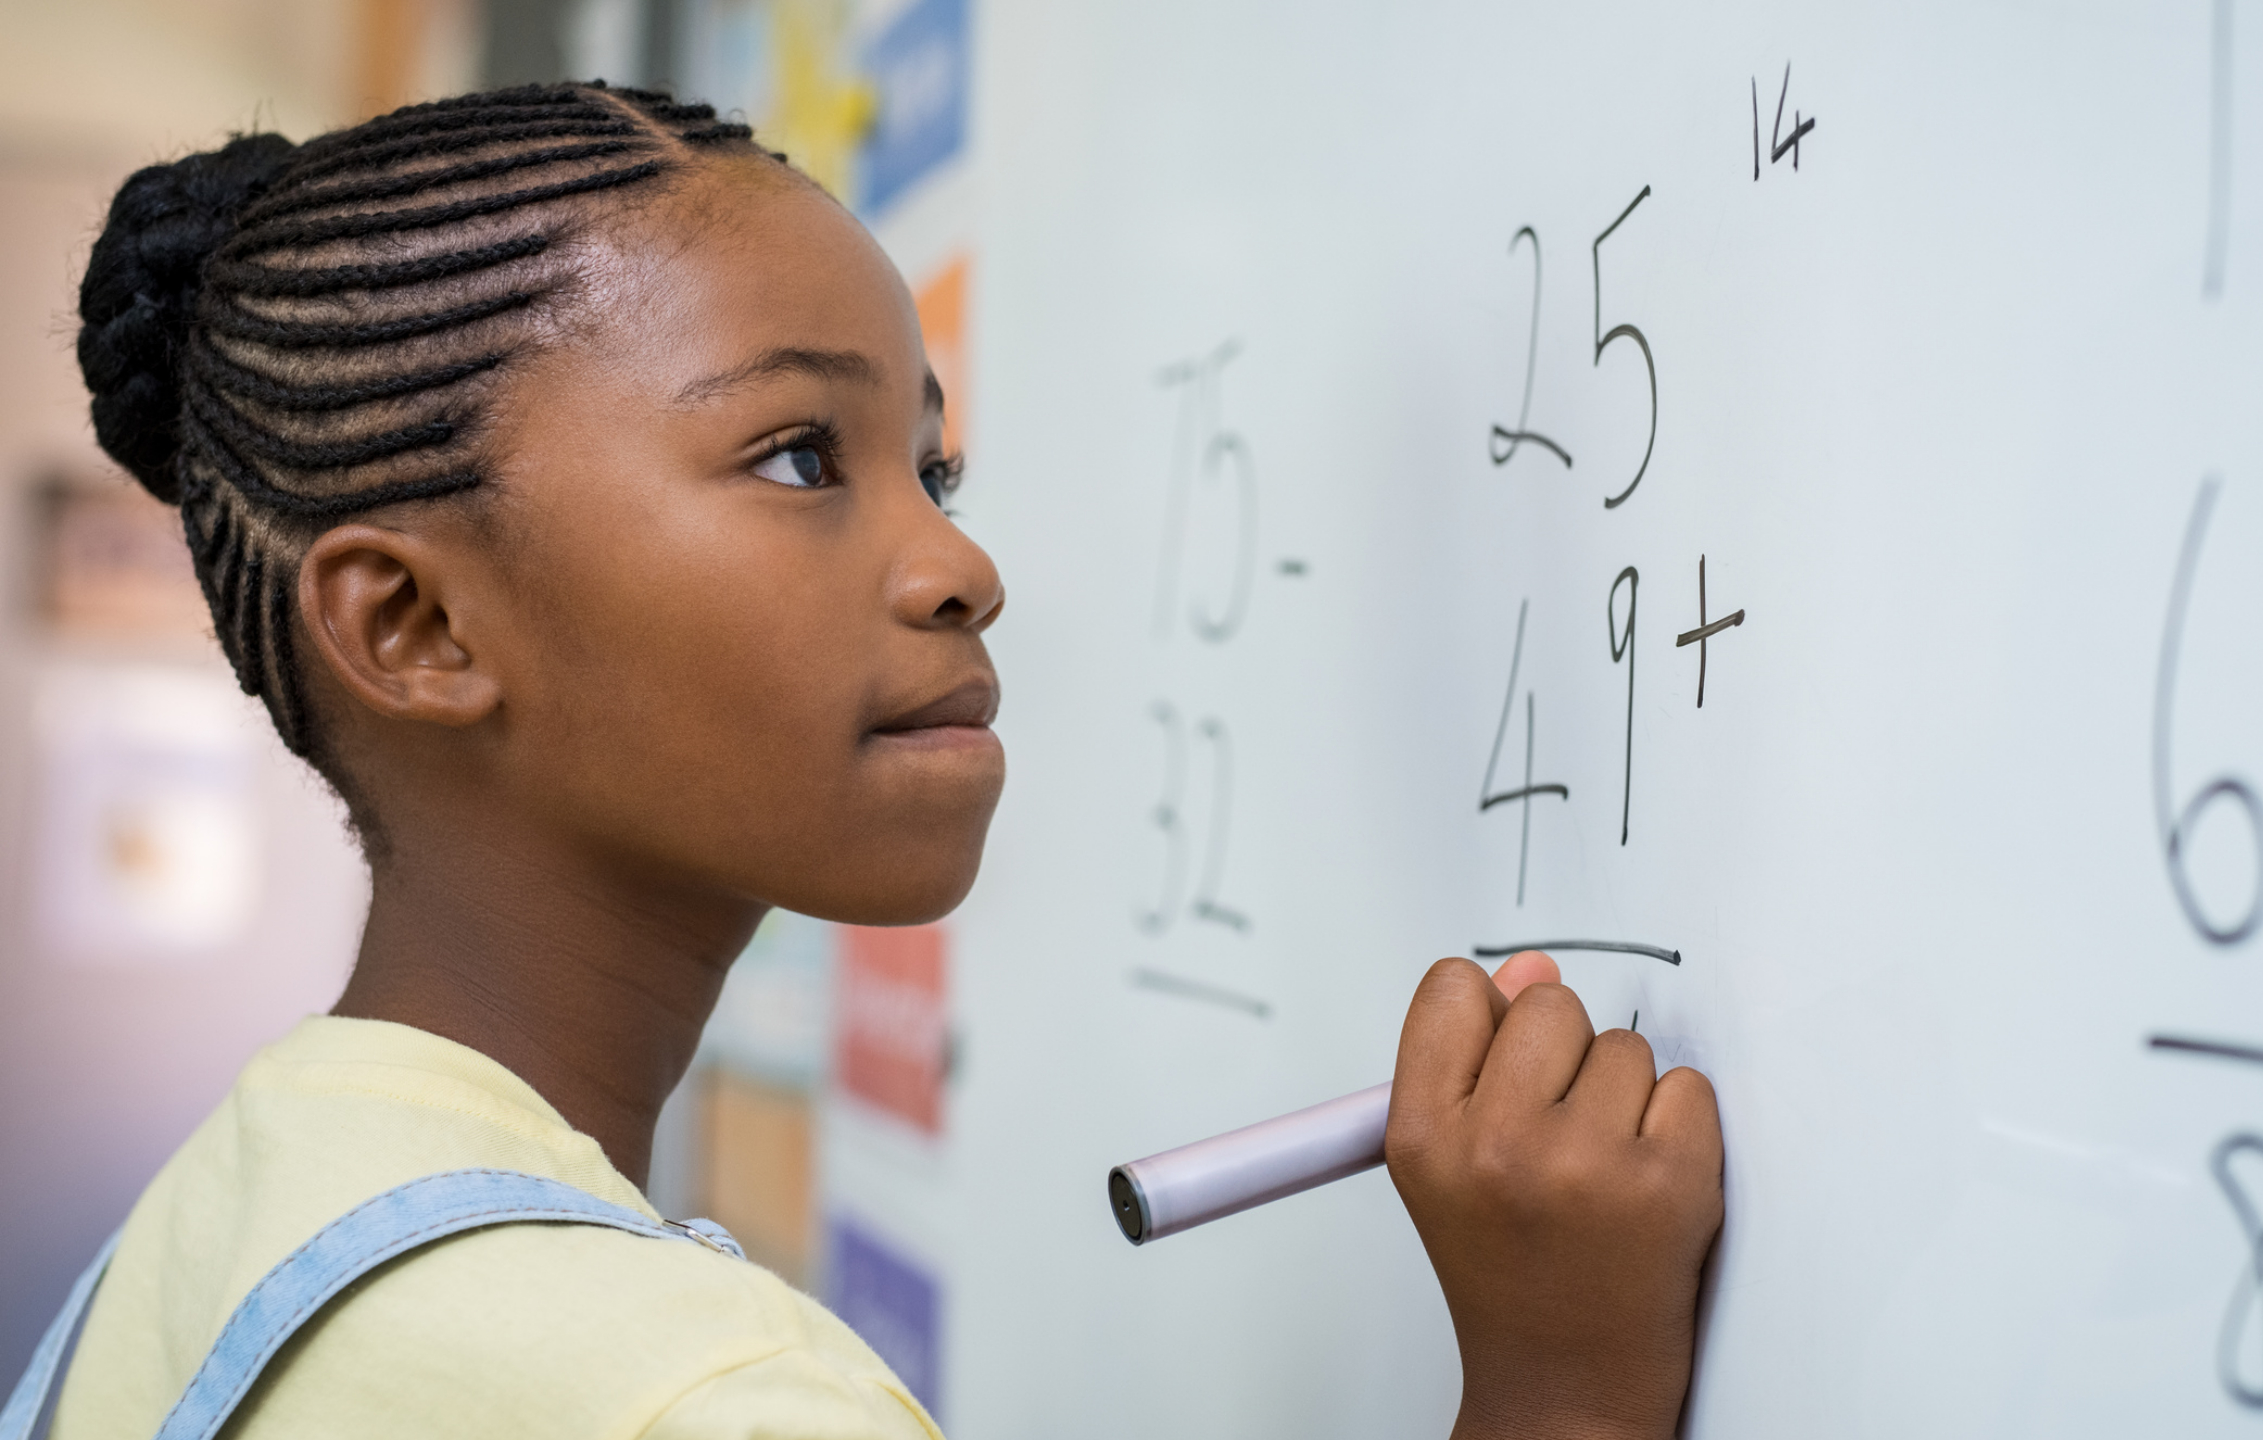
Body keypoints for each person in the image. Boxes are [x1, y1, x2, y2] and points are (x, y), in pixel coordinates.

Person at [28, 82, 1725, 1440]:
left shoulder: (230, 1212)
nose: (958, 568)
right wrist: (1561, 1398)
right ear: (413, 627)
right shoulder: (695, 1402)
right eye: (793, 458)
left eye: (936, 472)